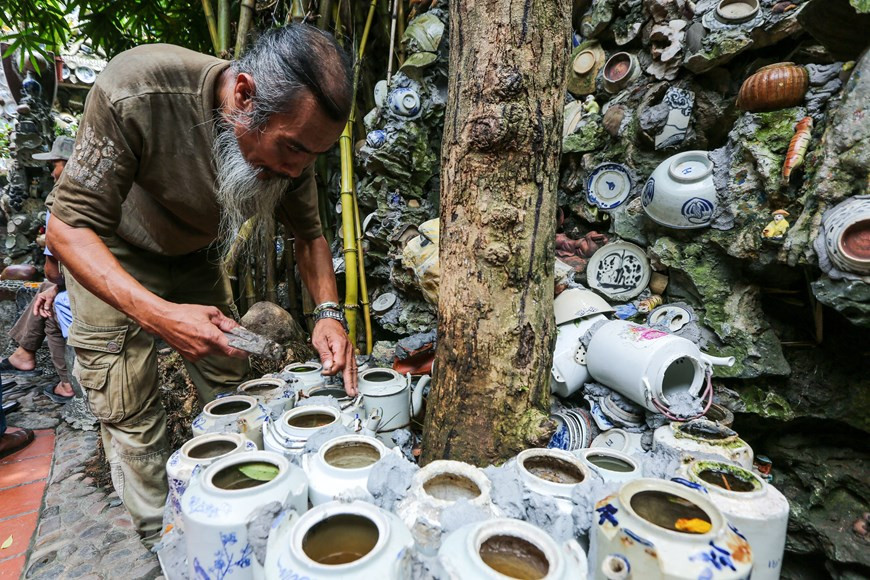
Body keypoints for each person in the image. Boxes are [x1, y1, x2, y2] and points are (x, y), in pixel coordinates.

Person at [46, 26, 357, 547]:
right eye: (292, 150)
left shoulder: (294, 141)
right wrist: (159, 315)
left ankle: (241, 510)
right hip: (109, 251)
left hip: (194, 256)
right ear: (244, 96)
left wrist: (329, 312)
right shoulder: (137, 89)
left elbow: (311, 235)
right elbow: (67, 228)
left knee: (231, 378)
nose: (297, 169)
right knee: (128, 401)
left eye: (312, 158)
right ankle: (163, 540)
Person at [1, 137, 75, 403]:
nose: (52, 172)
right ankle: (24, 353)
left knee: (50, 302)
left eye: (54, 165)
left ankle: (67, 384)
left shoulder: (60, 202)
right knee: (49, 289)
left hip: (93, 296)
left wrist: (54, 284)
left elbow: (53, 271)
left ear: (67, 165)